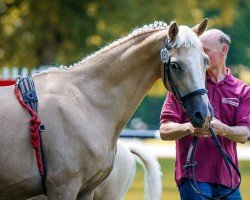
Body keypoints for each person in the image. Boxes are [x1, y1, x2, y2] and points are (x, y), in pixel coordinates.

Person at [160, 29, 250, 200]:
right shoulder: (186, 84)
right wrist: (189, 128)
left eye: (205, 50)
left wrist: (222, 129)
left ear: (223, 50)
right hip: (193, 177)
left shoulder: (242, 91)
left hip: (229, 179)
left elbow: (244, 134)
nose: (200, 54)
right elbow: (164, 130)